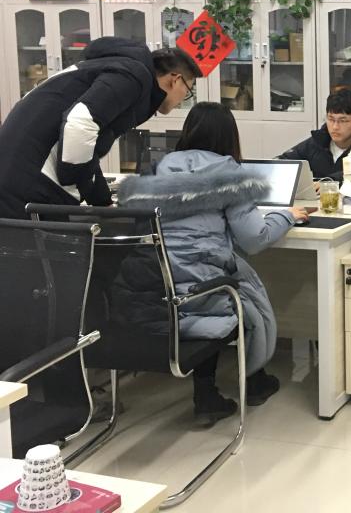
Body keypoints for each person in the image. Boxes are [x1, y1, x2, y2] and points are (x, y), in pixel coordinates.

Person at [118, 102, 309, 424]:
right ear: (229, 136)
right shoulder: (230, 174)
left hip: (156, 283)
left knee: (223, 285)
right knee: (246, 294)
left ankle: (214, 389)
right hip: (200, 285)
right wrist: (286, 215)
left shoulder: (159, 170)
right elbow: (254, 239)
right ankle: (249, 382)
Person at [0, 37, 200, 219]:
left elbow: (87, 145)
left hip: (18, 173)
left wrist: (101, 200)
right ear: (175, 79)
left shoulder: (119, 68)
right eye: (188, 91)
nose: (183, 99)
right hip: (30, 185)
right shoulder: (134, 76)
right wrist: (76, 180)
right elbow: (80, 123)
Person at [280, 90, 351, 180]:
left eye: (343, 121)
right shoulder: (318, 141)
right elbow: (284, 161)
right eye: (331, 119)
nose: (335, 127)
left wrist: (329, 182)